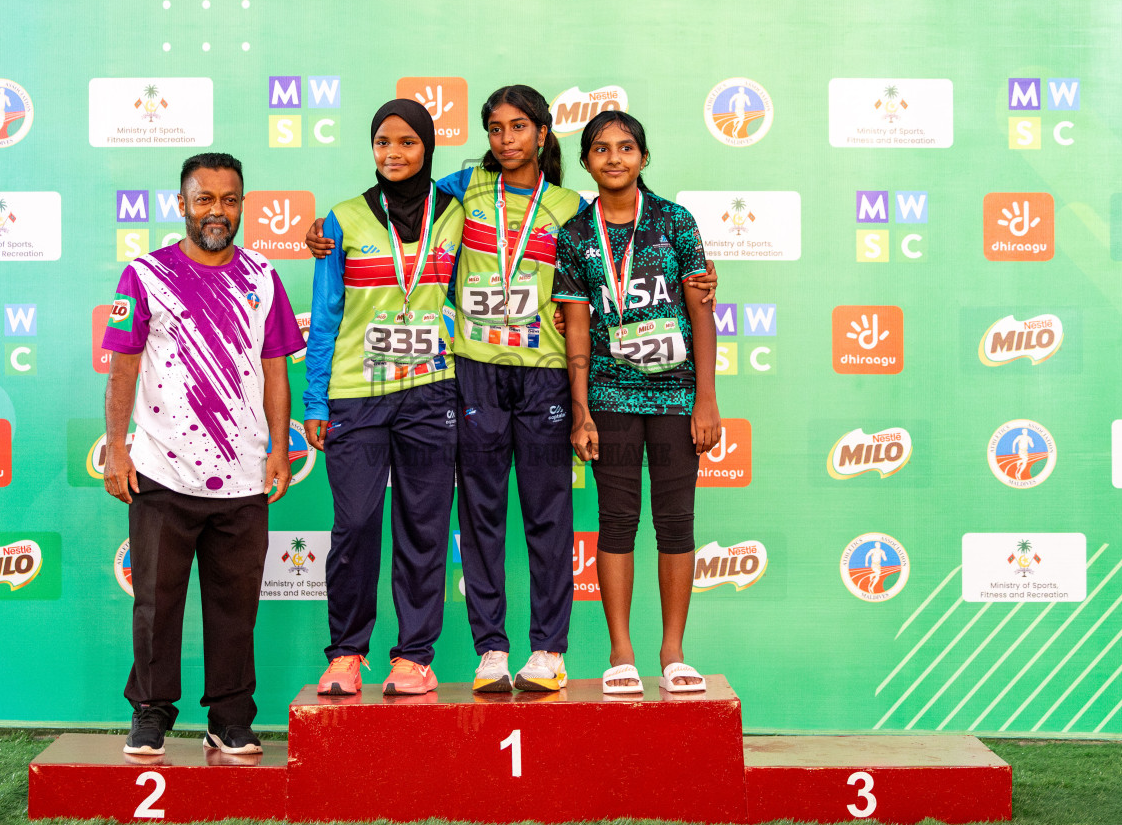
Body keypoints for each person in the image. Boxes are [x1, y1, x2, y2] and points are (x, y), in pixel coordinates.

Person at [305, 86, 718, 693]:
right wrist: (327, 230)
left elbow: (606, 278)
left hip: (546, 372)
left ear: (543, 135)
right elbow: (400, 193)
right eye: (495, 129)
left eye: (518, 128)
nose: (506, 139)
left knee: (548, 514)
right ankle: (491, 648)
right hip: (472, 369)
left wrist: (701, 280)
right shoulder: (462, 189)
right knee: (481, 515)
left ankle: (548, 650)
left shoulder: (573, 208)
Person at [101, 152, 305, 757]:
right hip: (162, 472)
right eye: (205, 198)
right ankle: (151, 715)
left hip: (243, 477)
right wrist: (117, 448)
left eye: (230, 199)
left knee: (234, 609)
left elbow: (275, 369)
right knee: (156, 605)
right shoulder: (144, 275)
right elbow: (122, 367)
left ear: (242, 204)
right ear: (182, 204)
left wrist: (278, 446)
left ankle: (231, 718)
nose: (218, 210)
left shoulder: (264, 277)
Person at [554, 111, 719, 696]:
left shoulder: (675, 221)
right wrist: (581, 410)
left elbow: (702, 311)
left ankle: (672, 650)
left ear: (644, 158)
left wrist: (706, 399)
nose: (615, 158)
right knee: (617, 522)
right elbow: (575, 326)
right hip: (608, 395)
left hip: (676, 398)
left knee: (676, 521)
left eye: (627, 148)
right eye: (601, 149)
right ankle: (620, 652)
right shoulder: (575, 234)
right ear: (587, 161)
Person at [306, 99, 465, 697]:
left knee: (423, 525)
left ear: (427, 148)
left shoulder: (455, 212)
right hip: (356, 395)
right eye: (381, 142)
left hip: (431, 391)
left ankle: (414, 657)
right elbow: (324, 316)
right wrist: (315, 402)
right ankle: (347, 652)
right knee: (355, 523)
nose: (392, 154)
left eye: (406, 142)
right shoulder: (341, 219)